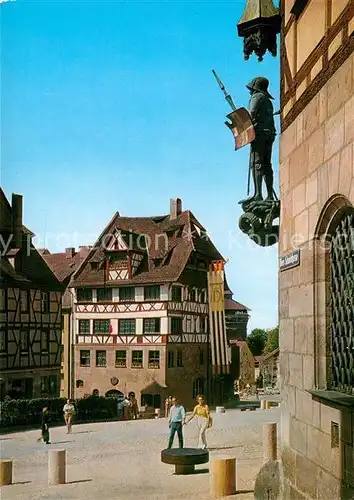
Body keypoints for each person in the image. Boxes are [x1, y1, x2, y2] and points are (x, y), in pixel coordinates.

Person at [246, 77, 276, 202]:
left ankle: (258, 193)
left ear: (254, 87)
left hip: (259, 135)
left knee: (256, 163)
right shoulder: (268, 101)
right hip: (270, 134)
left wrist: (246, 125)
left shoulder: (256, 96)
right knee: (267, 164)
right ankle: (269, 195)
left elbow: (252, 112)